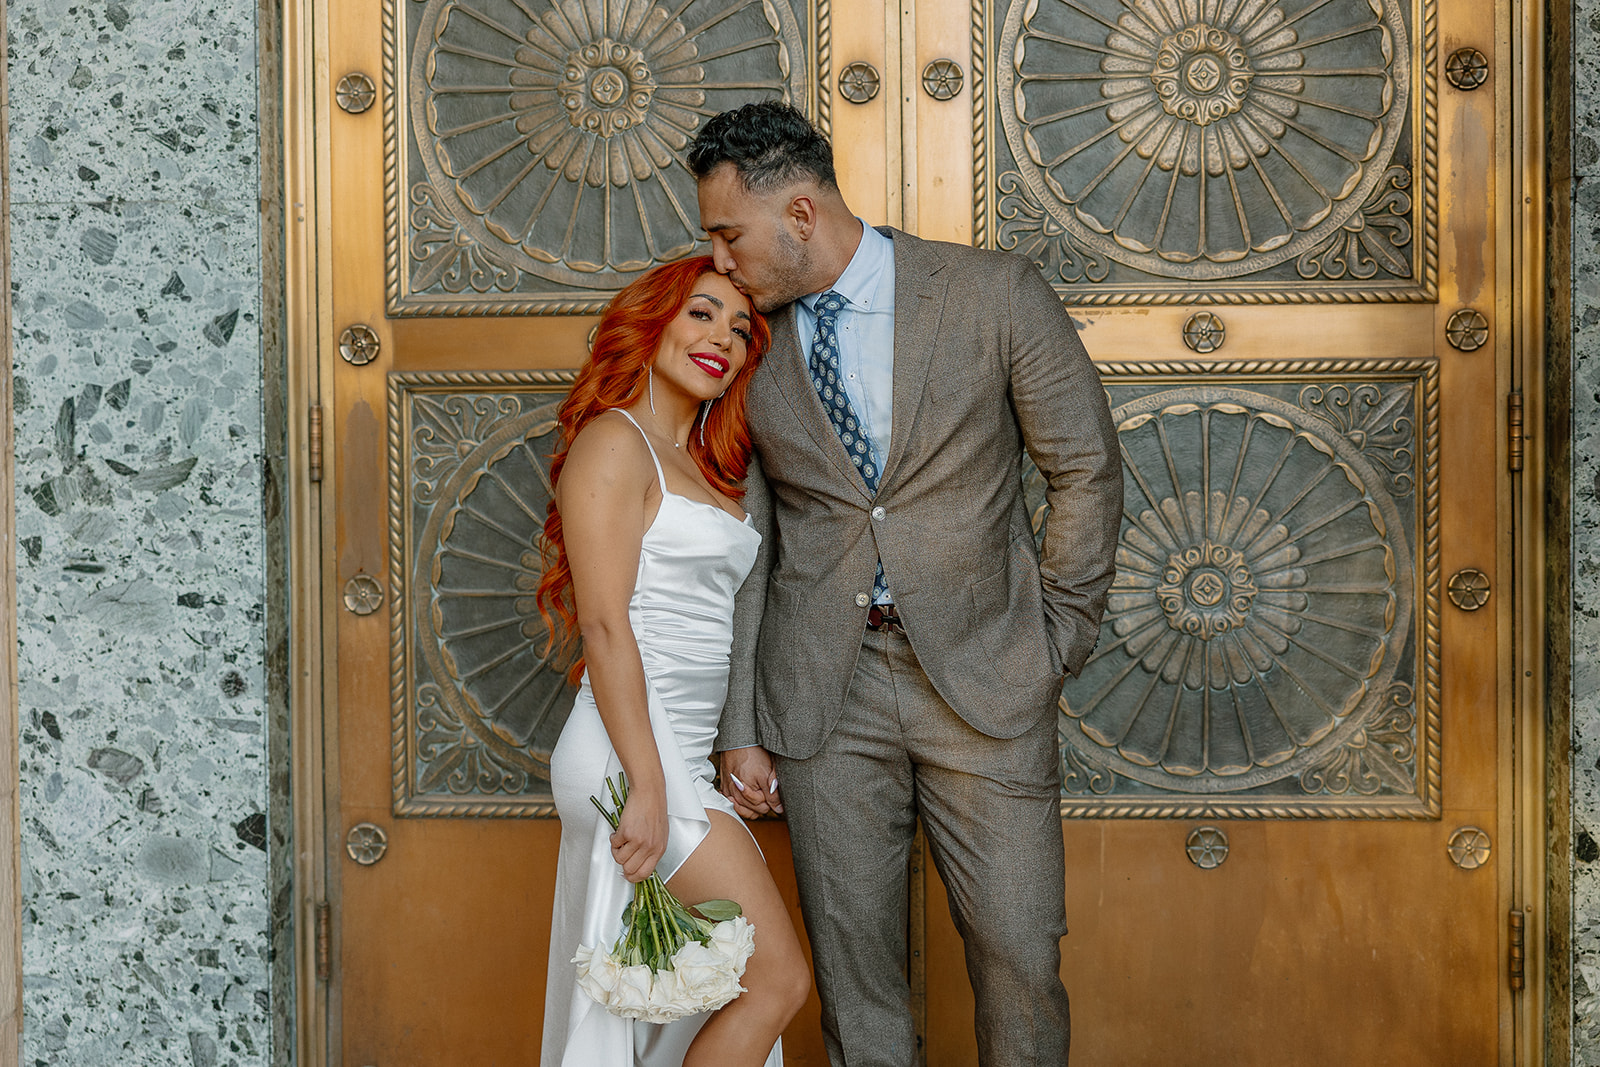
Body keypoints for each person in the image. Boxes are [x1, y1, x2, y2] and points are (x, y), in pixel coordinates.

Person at [688, 102, 1123, 1066]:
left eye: (729, 234)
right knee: (856, 982)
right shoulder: (747, 337)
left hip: (989, 680)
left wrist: (1056, 638)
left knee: (1018, 956)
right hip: (824, 697)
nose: (718, 260)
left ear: (800, 215)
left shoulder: (993, 292)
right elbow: (752, 534)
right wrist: (741, 722)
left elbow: (1084, 467)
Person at [537, 255, 811, 1067]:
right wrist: (648, 784)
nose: (721, 339)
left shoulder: (698, 460)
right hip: (628, 754)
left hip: (679, 755)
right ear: (653, 321)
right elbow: (605, 624)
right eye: (701, 314)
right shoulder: (614, 441)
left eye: (739, 329)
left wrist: (732, 747)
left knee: (695, 999)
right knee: (775, 981)